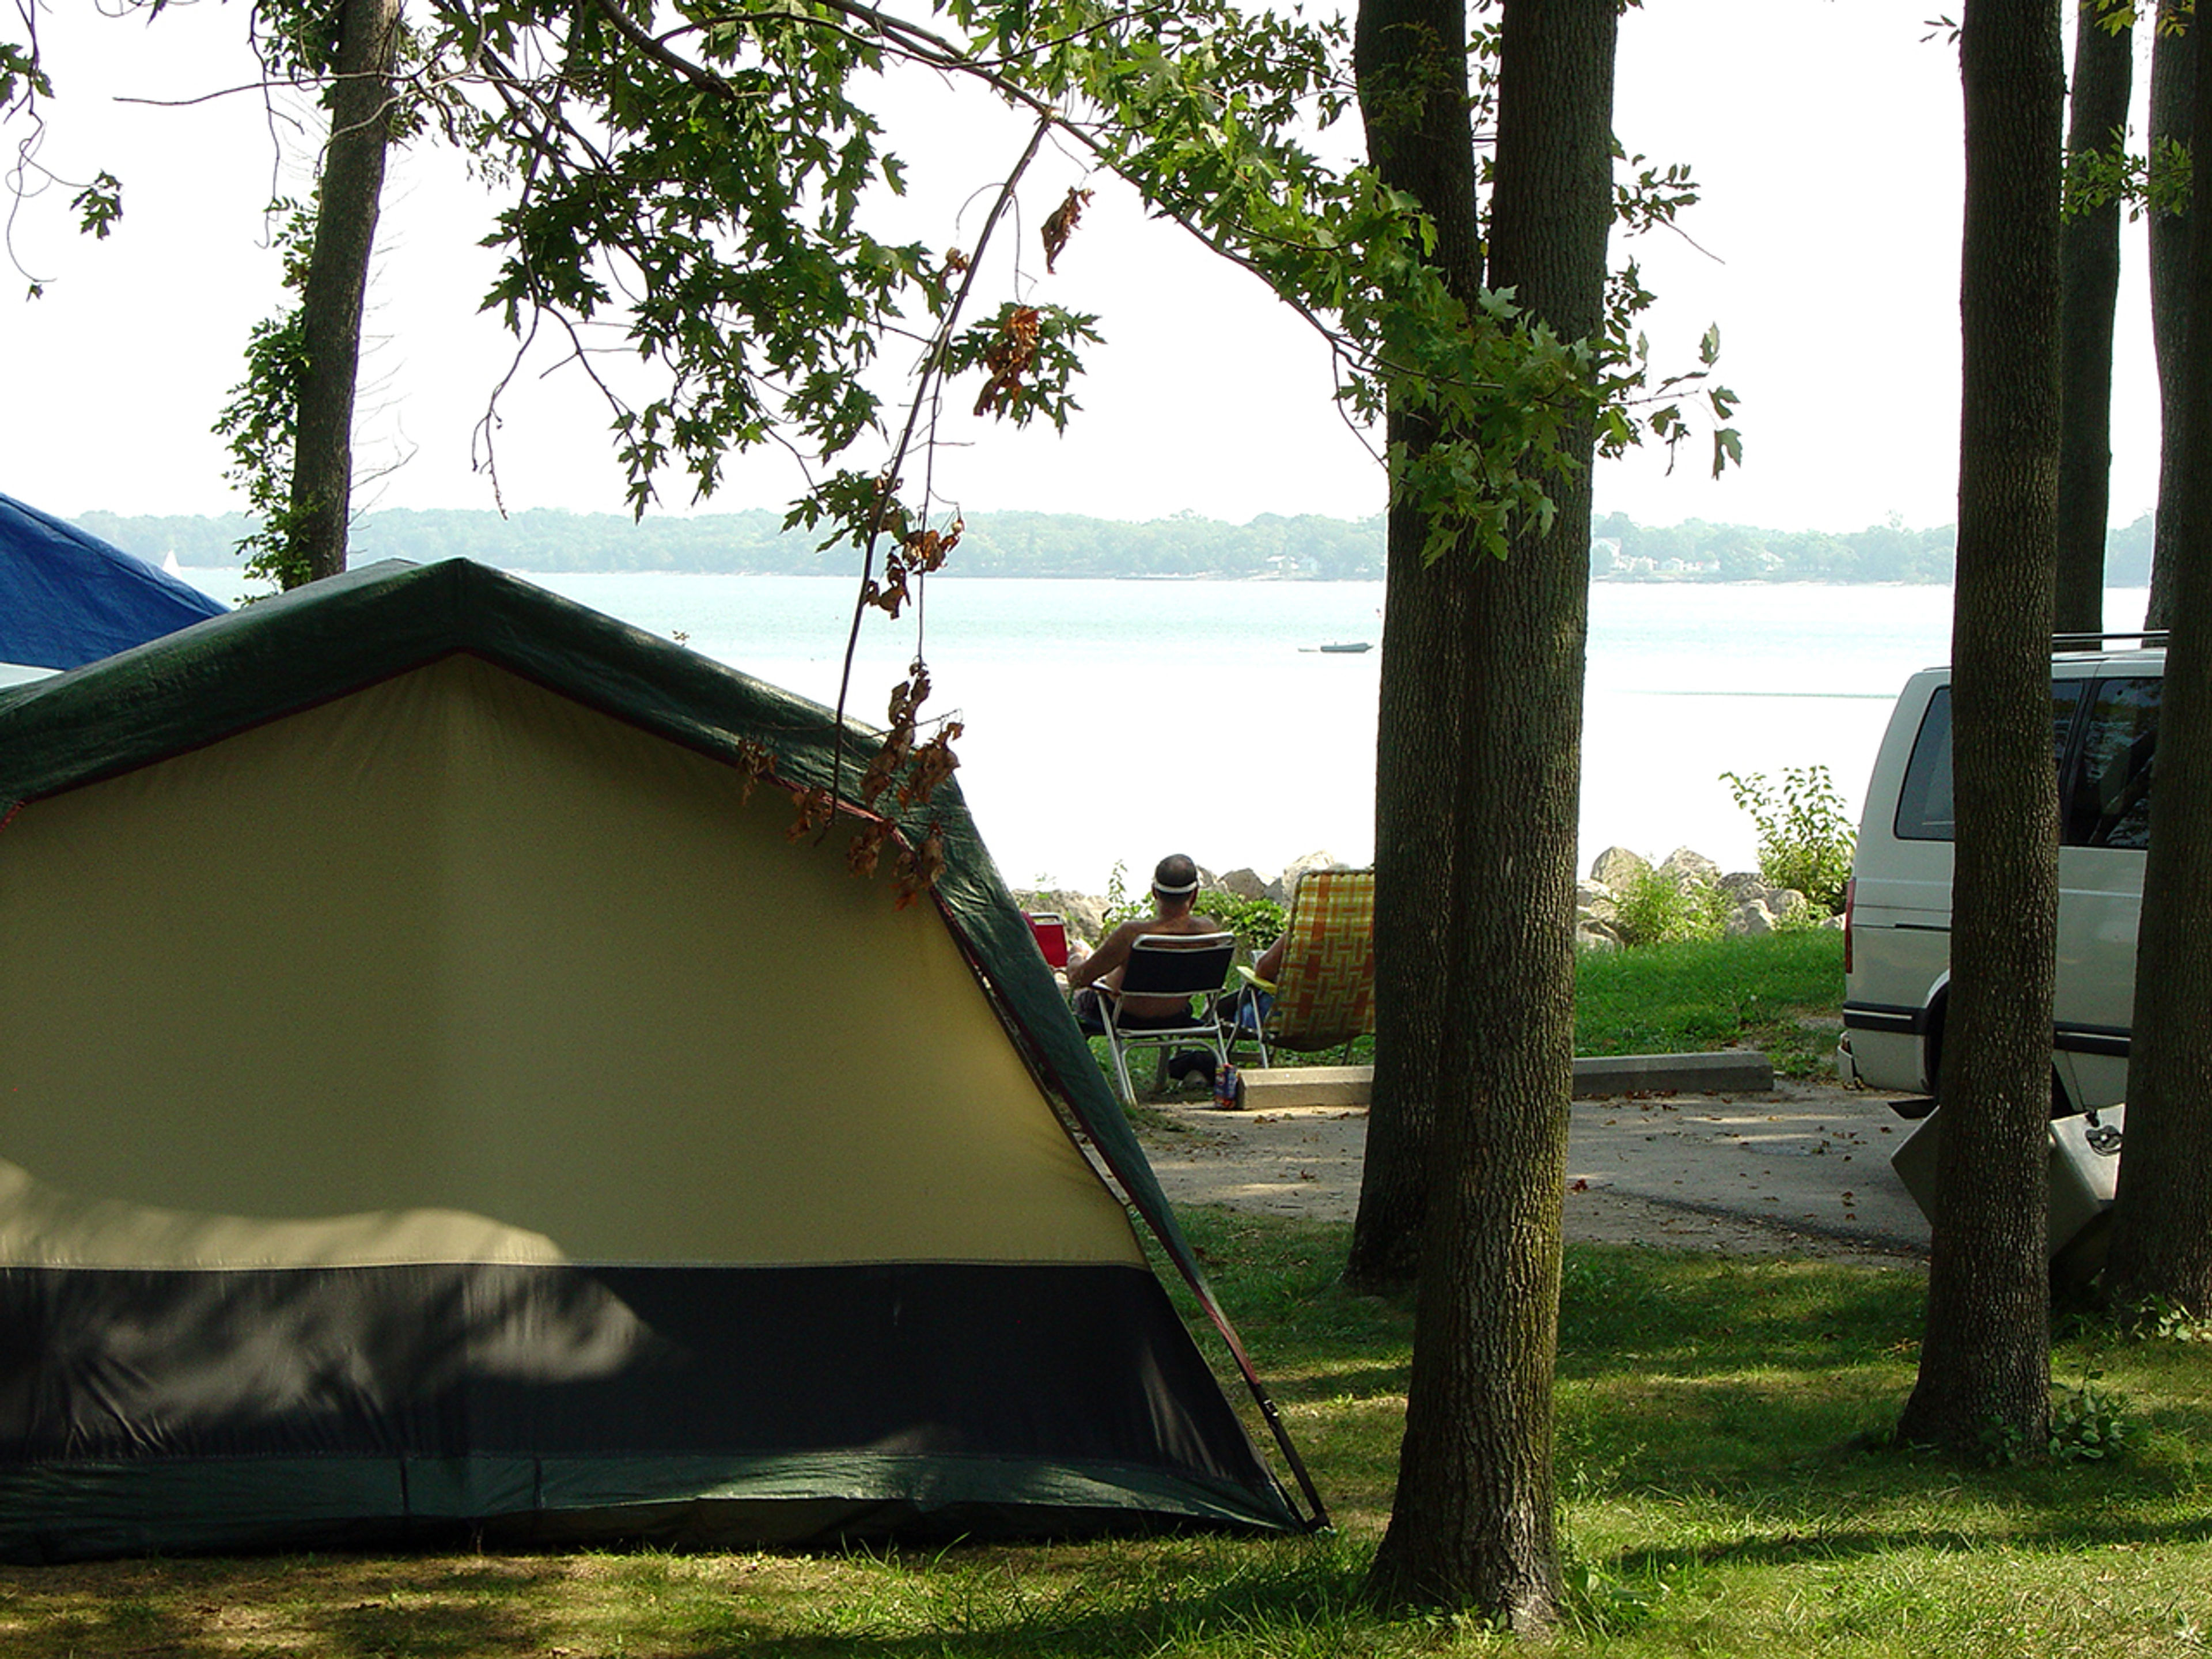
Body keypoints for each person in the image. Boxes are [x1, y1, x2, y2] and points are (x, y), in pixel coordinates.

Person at [1066, 854, 1223, 1039]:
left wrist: (1077, 955)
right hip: (1175, 1016)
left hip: (1121, 1017)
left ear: (1154, 891)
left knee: (1072, 996)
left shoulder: (1132, 934)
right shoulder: (1210, 934)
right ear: (1195, 894)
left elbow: (1078, 978)